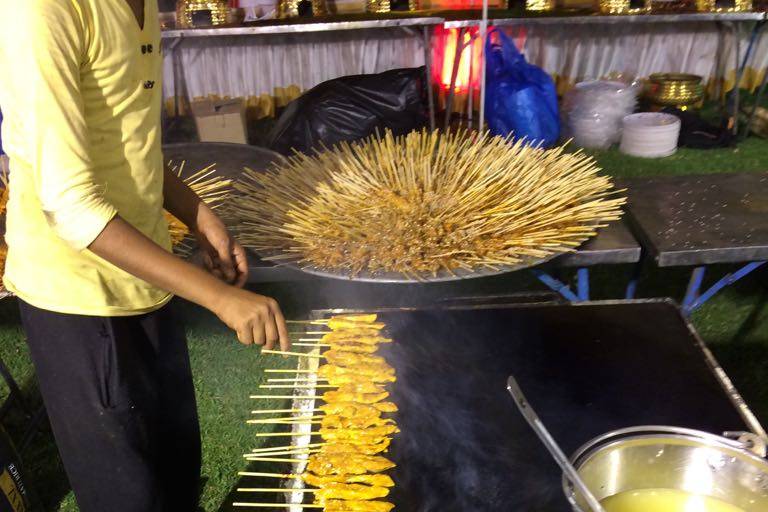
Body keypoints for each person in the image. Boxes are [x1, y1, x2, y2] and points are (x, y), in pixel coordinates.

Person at [0, 0, 290, 510]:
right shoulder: (40, 11)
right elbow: (71, 207)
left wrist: (198, 214)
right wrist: (218, 298)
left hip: (148, 279)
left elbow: (131, 140)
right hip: (79, 299)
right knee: (128, 495)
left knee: (177, 474)